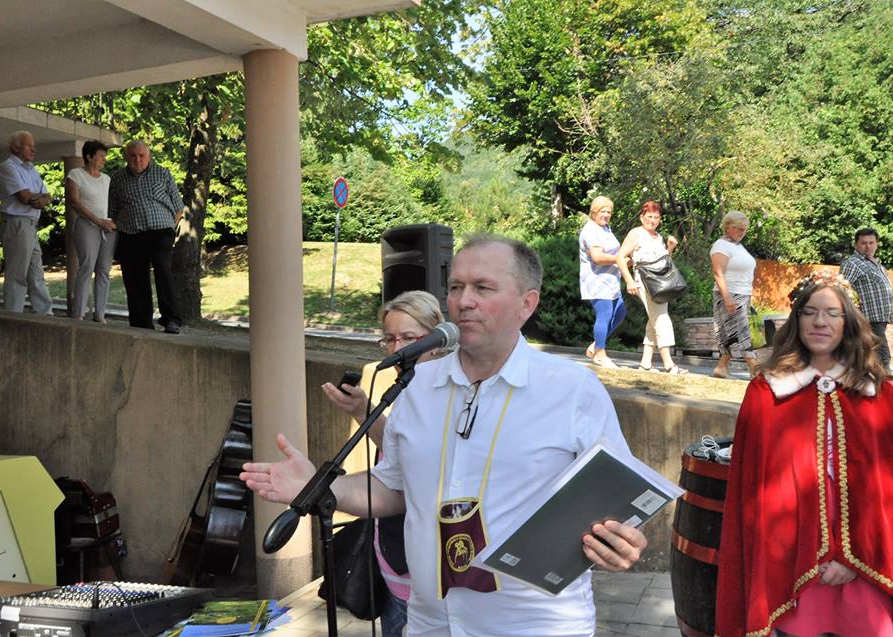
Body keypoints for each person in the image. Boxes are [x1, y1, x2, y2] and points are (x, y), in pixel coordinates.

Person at [242, 235, 647, 637]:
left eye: (482, 288)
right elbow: (394, 488)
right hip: (430, 623)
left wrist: (622, 541)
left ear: (527, 303)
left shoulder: (573, 390)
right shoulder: (416, 387)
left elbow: (620, 498)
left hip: (536, 626)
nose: (463, 301)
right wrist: (319, 486)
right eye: (455, 287)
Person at [716, 271, 893, 637]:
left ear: (848, 323)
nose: (819, 322)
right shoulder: (766, 392)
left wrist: (852, 557)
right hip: (789, 565)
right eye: (809, 312)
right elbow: (753, 494)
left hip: (869, 566)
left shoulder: (880, 395)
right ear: (797, 320)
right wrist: (812, 556)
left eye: (832, 313)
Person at [320, 290, 444, 637]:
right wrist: (363, 411)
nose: (396, 348)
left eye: (408, 338)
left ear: (436, 340)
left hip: (427, 570)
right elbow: (398, 453)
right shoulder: (407, 387)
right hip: (392, 561)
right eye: (389, 339)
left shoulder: (450, 392)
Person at [108, 140, 185, 333]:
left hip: (160, 231)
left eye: (141, 155)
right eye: (133, 156)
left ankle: (171, 319)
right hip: (131, 233)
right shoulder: (117, 178)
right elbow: (113, 210)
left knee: (163, 271)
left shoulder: (163, 173)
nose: (137, 160)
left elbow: (178, 207)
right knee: (135, 278)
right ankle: (141, 322)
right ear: (126, 157)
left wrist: (170, 228)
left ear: (149, 156)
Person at [615, 200, 686, 374]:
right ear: (642, 217)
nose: (652, 221)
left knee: (655, 318)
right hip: (644, 280)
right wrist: (629, 280)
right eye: (649, 217)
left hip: (660, 282)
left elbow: (661, 262)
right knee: (661, 318)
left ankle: (645, 363)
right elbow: (620, 258)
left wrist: (669, 248)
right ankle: (669, 364)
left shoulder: (658, 237)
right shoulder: (636, 233)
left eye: (656, 217)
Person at [0, 131, 54, 315]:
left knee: (36, 273)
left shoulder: (31, 169)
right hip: (17, 223)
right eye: (29, 146)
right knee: (17, 274)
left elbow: (47, 195)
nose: (34, 150)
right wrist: (39, 198)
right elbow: (25, 197)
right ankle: (13, 317)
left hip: (30, 224)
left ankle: (45, 315)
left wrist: (42, 199)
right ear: (15, 147)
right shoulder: (7, 167)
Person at [66, 140, 116, 323]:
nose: (104, 159)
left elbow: (113, 202)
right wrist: (97, 221)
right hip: (87, 225)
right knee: (87, 266)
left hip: (108, 228)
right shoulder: (75, 175)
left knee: (104, 270)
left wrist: (111, 222)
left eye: (104, 156)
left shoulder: (107, 179)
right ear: (89, 156)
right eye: (101, 156)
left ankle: (100, 314)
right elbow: (74, 202)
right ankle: (79, 313)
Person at [579, 195, 626, 368]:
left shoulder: (605, 229)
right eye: (602, 211)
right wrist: (619, 260)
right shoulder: (591, 230)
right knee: (604, 315)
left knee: (620, 312)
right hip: (597, 280)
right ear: (594, 212)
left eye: (608, 212)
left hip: (611, 280)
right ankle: (600, 353)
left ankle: (596, 345)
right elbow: (597, 257)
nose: (606, 215)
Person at [709, 211, 758, 379]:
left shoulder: (738, 246)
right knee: (742, 333)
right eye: (739, 229)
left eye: (745, 229)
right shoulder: (721, 245)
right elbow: (718, 273)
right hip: (729, 294)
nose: (742, 232)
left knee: (732, 333)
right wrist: (727, 297)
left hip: (743, 294)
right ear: (728, 227)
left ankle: (721, 367)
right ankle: (755, 370)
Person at [839, 228, 893, 371]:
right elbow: (841, 289)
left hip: (879, 318)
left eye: (871, 242)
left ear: (876, 244)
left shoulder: (876, 264)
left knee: (869, 355)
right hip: (867, 320)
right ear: (856, 245)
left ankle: (870, 380)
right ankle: (886, 382)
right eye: (864, 243)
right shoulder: (853, 263)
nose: (868, 246)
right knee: (882, 355)